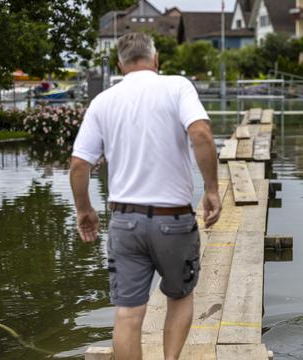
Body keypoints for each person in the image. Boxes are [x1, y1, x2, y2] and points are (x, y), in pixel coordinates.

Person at [69, 32, 221, 360]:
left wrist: (84, 210)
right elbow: (201, 133)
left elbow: (79, 165)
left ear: (119, 64)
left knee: (127, 313)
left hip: (124, 222)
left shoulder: (103, 102)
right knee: (179, 298)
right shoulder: (177, 86)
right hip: (174, 220)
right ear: (156, 60)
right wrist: (211, 189)